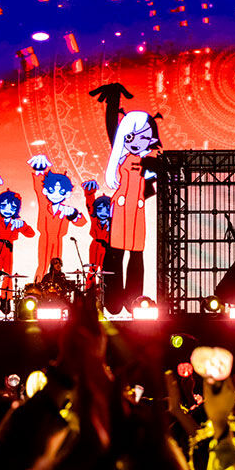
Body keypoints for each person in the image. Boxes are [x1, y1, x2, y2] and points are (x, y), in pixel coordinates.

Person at [92, 82, 163, 314]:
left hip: (138, 213)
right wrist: (113, 100)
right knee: (116, 254)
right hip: (122, 210)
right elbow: (112, 126)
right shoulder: (121, 155)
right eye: (134, 136)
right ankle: (113, 300)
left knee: (136, 256)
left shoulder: (149, 162)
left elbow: (160, 178)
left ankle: (134, 299)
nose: (140, 142)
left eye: (145, 137)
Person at [27, 156, 87, 281]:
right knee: (43, 265)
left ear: (67, 193)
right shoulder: (45, 204)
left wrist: (74, 214)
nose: (56, 194)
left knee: (57, 266)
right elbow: (38, 187)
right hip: (45, 238)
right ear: (46, 191)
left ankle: (56, 288)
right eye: (52, 190)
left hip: (58, 239)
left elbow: (81, 222)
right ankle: (38, 288)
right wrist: (39, 169)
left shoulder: (66, 210)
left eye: (61, 192)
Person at [0, 174, 36, 315]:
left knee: (8, 274)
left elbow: (31, 233)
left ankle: (6, 299)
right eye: (4, 206)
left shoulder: (16, 222)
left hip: (9, 247)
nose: (8, 209)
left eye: (12, 207)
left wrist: (23, 225)